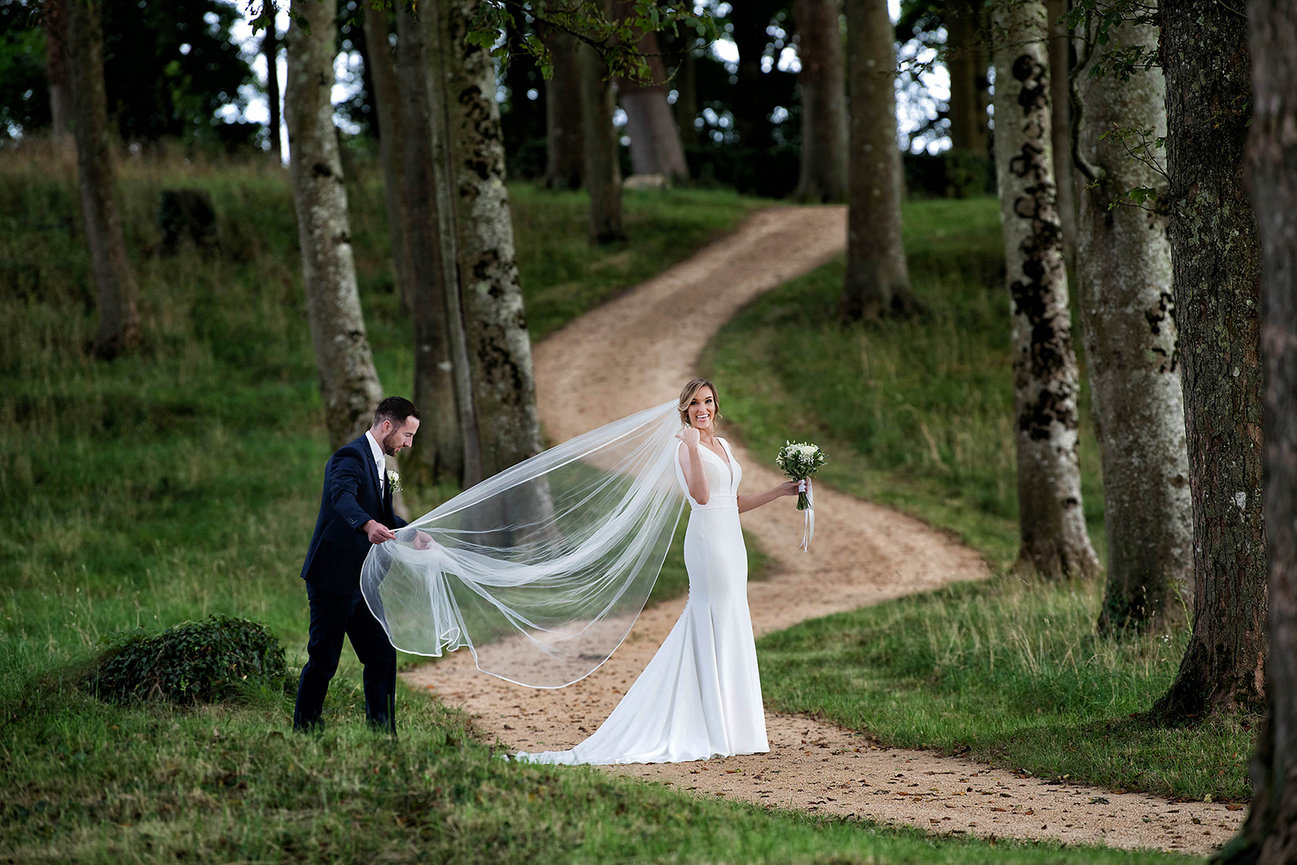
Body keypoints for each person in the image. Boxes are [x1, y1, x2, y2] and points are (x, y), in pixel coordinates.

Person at [516, 378, 799, 764]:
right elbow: (701, 496)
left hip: (732, 542)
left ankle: (737, 727)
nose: (703, 409)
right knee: (710, 616)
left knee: (732, 617)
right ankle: (707, 723)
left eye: (709, 401)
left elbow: (730, 501)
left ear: (716, 405)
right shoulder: (685, 447)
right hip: (708, 542)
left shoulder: (724, 446)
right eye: (695, 403)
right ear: (684, 408)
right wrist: (693, 447)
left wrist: (780, 491)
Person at [292, 396, 422, 735]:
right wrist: (366, 525)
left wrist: (412, 534)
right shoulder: (350, 457)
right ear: (387, 426)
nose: (408, 444)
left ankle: (383, 735)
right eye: (407, 436)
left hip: (364, 583)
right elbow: (342, 498)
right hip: (332, 578)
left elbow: (382, 514)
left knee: (382, 655)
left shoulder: (381, 464)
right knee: (324, 660)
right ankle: (304, 730)